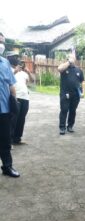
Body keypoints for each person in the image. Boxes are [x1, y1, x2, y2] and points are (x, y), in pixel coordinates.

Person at [0, 32, 20, 178]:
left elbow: (11, 85)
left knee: (5, 139)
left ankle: (7, 166)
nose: (1, 45)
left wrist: (15, 102)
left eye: (2, 42)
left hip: (3, 109)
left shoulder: (4, 63)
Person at [57, 55, 85, 135]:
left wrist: (83, 92)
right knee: (64, 110)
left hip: (75, 94)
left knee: (73, 111)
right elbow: (59, 69)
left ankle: (70, 126)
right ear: (67, 59)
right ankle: (62, 128)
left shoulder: (78, 70)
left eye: (73, 58)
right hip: (65, 93)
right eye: (70, 57)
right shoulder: (64, 67)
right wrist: (69, 62)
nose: (72, 59)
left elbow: (82, 81)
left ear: (75, 59)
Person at [11, 60, 32, 144]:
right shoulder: (11, 71)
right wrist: (15, 71)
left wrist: (29, 73)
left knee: (22, 118)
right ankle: (10, 139)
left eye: (22, 64)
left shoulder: (25, 74)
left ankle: (17, 138)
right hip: (16, 97)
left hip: (25, 97)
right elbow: (7, 80)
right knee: (14, 118)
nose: (21, 65)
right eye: (19, 64)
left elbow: (32, 81)